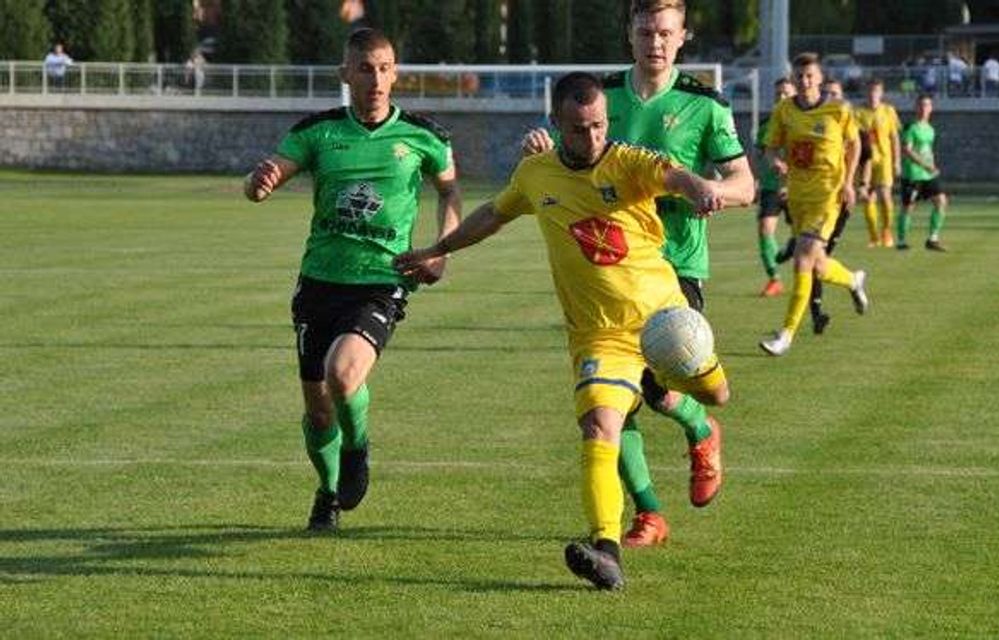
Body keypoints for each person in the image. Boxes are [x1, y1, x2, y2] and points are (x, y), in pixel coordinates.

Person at [396, 72, 734, 590]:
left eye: (599, 125)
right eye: (579, 129)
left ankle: (702, 426)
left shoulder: (628, 161)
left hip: (665, 321)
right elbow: (491, 214)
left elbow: (677, 178)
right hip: (598, 336)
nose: (592, 137)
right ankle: (606, 549)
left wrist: (703, 189)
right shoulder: (536, 174)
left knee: (717, 394)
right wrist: (437, 249)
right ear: (556, 124)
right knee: (601, 426)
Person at [521, 0, 754, 549]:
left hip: (674, 266)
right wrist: (537, 146)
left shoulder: (705, 105)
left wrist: (713, 191)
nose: (655, 42)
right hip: (605, 266)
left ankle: (699, 425)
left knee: (652, 385)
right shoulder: (599, 97)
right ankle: (648, 512)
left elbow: (746, 184)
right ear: (630, 34)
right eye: (646, 31)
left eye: (665, 33)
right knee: (611, 399)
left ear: (683, 38)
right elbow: (562, 157)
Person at [243, 28, 462, 532]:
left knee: (344, 374)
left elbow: (449, 194)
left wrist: (440, 251)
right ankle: (327, 493)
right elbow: (266, 178)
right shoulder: (318, 131)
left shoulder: (425, 136)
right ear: (346, 74)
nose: (377, 79)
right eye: (365, 68)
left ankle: (357, 449)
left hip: (381, 281)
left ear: (396, 73)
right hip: (319, 282)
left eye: (385, 68)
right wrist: (259, 183)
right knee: (318, 412)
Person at [759, 53, 869, 357]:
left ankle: (786, 334)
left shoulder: (838, 109)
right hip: (797, 196)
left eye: (810, 76)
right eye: (800, 76)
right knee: (817, 262)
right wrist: (776, 163)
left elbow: (855, 144)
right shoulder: (783, 110)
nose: (805, 81)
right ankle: (853, 279)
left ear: (820, 79)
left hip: (827, 196)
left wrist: (848, 182)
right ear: (794, 79)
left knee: (803, 257)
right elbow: (769, 149)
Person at [756, 77, 796, 299]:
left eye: (786, 93)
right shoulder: (766, 124)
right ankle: (774, 279)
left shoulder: (801, 123)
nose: (781, 97)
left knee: (802, 235)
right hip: (771, 186)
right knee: (765, 229)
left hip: (798, 188)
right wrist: (753, 178)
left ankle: (805, 273)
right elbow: (759, 154)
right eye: (778, 94)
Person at [897, 94, 949, 252]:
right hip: (912, 174)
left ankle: (932, 239)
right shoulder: (911, 128)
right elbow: (907, 150)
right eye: (920, 105)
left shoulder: (930, 129)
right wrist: (925, 165)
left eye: (926, 105)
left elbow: (928, 150)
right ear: (916, 108)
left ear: (931, 108)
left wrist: (932, 166)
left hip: (928, 175)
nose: (923, 109)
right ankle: (901, 241)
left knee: (941, 201)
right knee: (908, 208)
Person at [854, 78, 901, 248]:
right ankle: (874, 237)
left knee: (885, 197)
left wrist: (897, 162)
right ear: (865, 92)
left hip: (884, 160)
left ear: (881, 93)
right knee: (866, 198)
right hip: (866, 161)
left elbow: (894, 138)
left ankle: (886, 231)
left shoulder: (888, 111)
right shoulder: (858, 113)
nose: (872, 95)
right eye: (869, 91)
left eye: (876, 91)